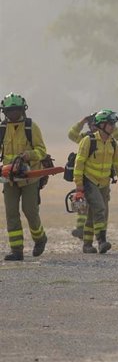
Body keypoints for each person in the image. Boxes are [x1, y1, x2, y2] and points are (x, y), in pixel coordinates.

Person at [1, 93, 48, 261]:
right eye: (9, 110)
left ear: (22, 109)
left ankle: (40, 239)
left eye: (16, 110)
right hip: (9, 180)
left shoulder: (30, 127)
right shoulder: (2, 129)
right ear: (4, 111)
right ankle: (17, 250)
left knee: (30, 211)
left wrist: (28, 155)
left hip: (30, 178)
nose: (13, 113)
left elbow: (42, 151)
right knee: (11, 213)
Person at [74, 109, 118, 254]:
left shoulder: (112, 143)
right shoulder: (88, 141)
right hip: (89, 181)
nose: (113, 127)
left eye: (113, 123)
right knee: (100, 210)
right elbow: (79, 164)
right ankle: (102, 241)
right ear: (101, 125)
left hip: (104, 183)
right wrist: (79, 186)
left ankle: (87, 244)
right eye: (110, 124)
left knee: (93, 214)